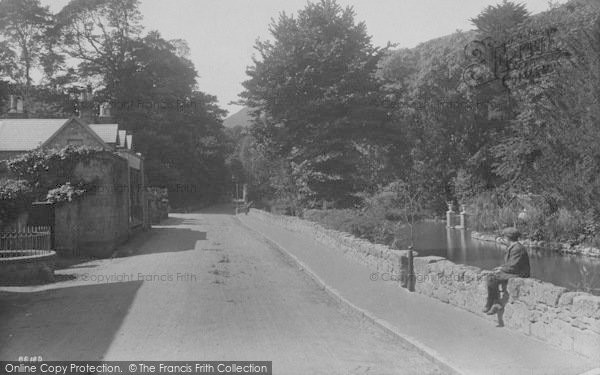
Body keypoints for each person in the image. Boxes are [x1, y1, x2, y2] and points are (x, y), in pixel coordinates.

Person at [483, 227, 530, 315]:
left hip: (520, 274)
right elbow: (511, 264)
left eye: (504, 238)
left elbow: (513, 266)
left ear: (508, 238)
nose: (503, 240)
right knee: (491, 276)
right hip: (515, 271)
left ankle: (492, 302)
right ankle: (495, 302)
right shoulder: (513, 247)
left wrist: (501, 269)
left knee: (493, 277)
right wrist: (501, 268)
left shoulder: (517, 248)